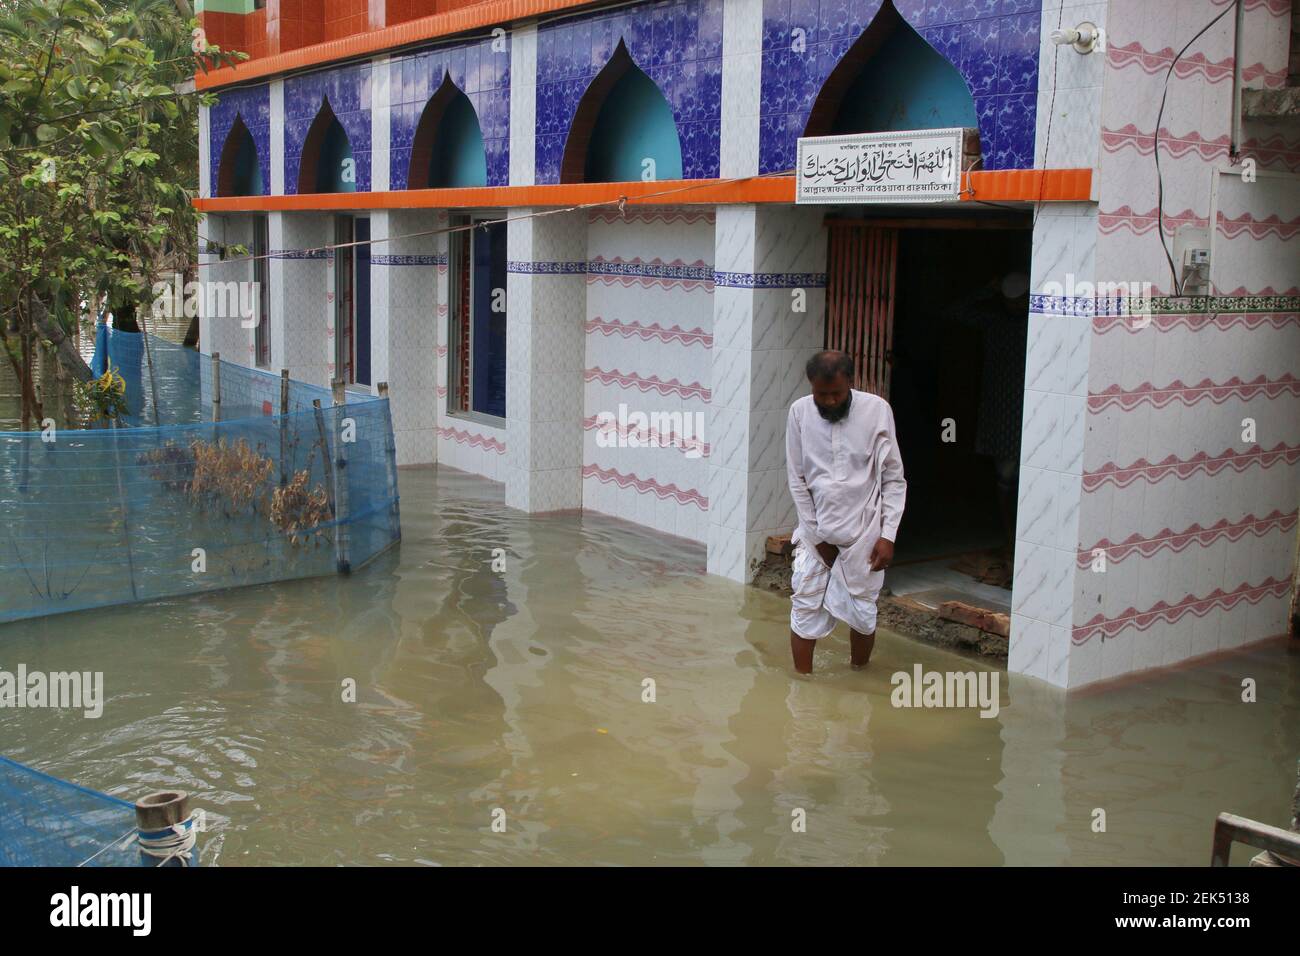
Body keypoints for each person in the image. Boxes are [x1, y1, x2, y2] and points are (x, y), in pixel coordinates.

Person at [786, 350, 907, 675]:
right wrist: (815, 536)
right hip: (817, 535)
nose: (827, 401)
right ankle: (802, 690)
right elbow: (797, 480)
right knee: (805, 607)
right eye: (820, 394)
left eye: (835, 394)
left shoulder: (878, 411)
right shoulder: (799, 413)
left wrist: (888, 535)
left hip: (865, 534)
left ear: (850, 383)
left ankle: (859, 679)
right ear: (811, 386)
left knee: (863, 615)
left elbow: (894, 478)